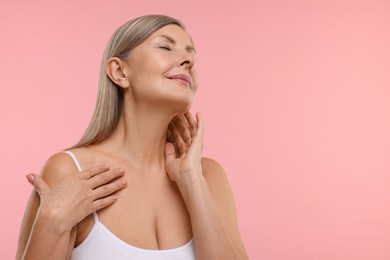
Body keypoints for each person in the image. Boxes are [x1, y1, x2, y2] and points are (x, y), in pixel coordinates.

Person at [16, 15, 248, 260]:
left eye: (191, 54)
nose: (188, 60)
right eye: (165, 47)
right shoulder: (69, 171)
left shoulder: (208, 176)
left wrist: (192, 180)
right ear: (119, 72)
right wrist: (51, 221)